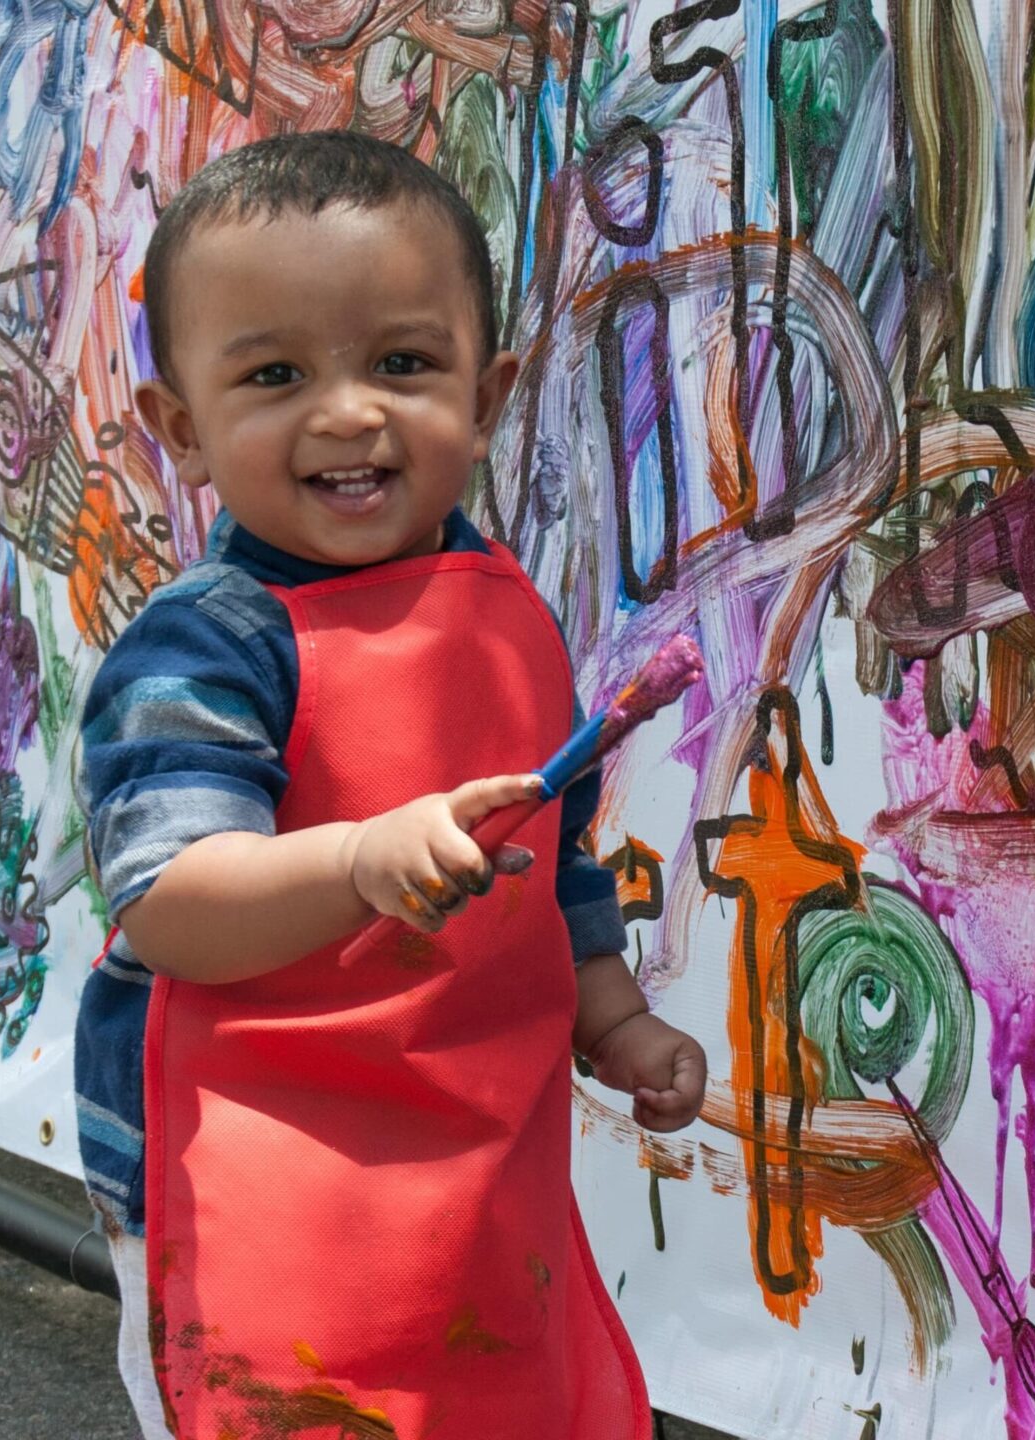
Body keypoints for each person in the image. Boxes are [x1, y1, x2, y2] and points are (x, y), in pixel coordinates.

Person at [72, 130, 705, 1440]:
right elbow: (172, 899)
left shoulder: (504, 606)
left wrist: (616, 1019)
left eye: (403, 364)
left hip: (472, 1158)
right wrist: (361, 860)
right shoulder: (210, 643)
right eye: (276, 374)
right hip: (258, 1158)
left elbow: (557, 868)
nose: (349, 411)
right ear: (183, 430)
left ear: (487, 394)